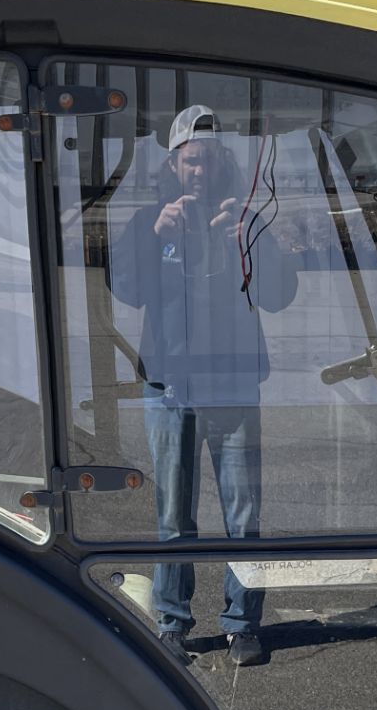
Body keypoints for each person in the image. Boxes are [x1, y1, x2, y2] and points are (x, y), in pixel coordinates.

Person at [107, 105, 297, 666]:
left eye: (209, 161)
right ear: (172, 164)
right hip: (170, 388)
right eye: (190, 161)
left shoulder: (244, 219)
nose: (199, 172)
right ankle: (174, 624)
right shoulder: (150, 220)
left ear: (222, 165)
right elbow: (125, 289)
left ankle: (242, 624)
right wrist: (155, 237)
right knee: (173, 513)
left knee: (243, 513)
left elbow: (279, 295)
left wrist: (251, 240)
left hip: (235, 385)